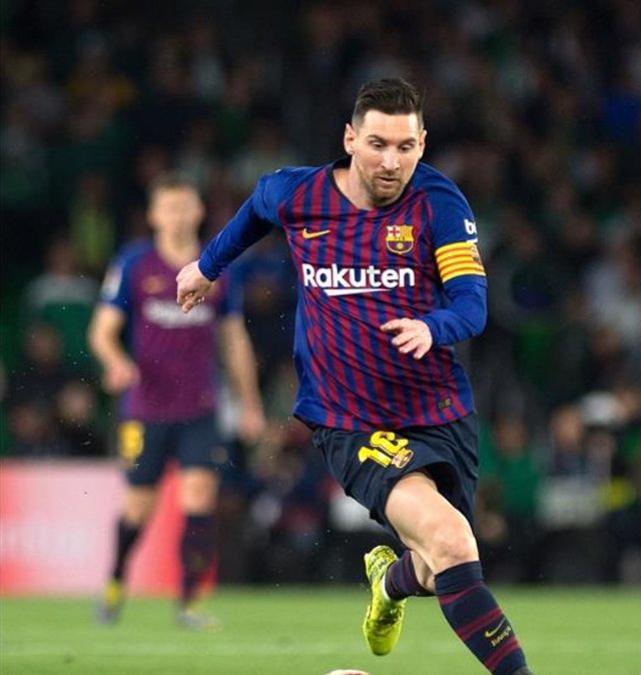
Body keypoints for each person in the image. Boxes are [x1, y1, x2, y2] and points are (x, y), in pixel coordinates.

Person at [175, 77, 532, 675]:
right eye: (377, 144)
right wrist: (206, 266)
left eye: (405, 147)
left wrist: (432, 328)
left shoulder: (440, 205)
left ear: (423, 144)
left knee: (435, 561)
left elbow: (472, 305)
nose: (391, 161)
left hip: (440, 412)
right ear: (349, 139)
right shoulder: (300, 194)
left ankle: (390, 584)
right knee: (451, 541)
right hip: (351, 419)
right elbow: (257, 208)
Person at [90, 174, 265, 628]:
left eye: (184, 207)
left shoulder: (216, 267)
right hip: (145, 409)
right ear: (153, 215)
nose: (177, 215)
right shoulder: (134, 264)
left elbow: (234, 340)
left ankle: (188, 603)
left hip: (200, 408)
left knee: (199, 499)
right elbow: (102, 331)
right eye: (168, 207)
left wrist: (249, 403)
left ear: (199, 211)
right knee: (138, 507)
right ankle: (113, 582)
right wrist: (117, 362)